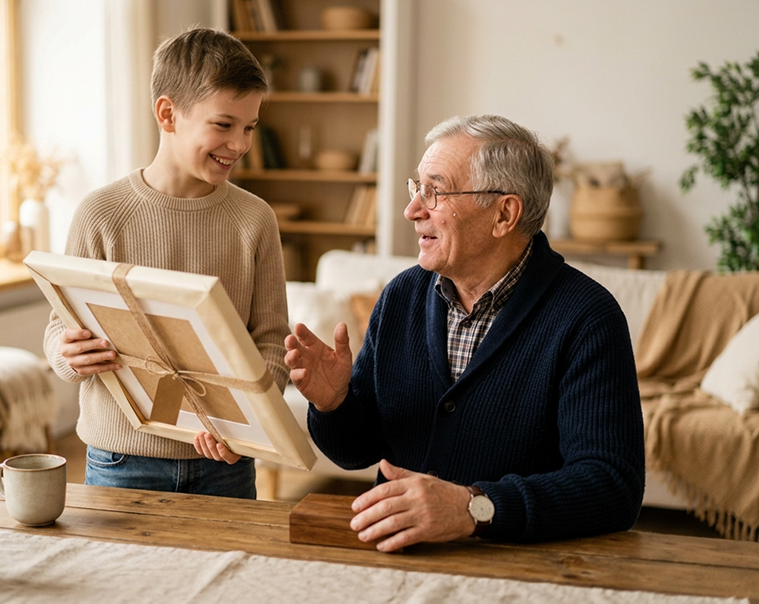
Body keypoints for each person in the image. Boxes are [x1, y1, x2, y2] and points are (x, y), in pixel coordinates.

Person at [285, 114, 645, 549]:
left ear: (504, 213)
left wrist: (473, 509)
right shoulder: (402, 296)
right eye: (416, 188)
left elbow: (611, 487)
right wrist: (334, 403)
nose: (412, 209)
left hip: (519, 567)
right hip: (397, 554)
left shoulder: (588, 318)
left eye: (434, 191)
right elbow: (358, 451)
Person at [43, 28, 290, 499]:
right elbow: (59, 328)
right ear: (168, 114)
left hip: (226, 463)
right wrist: (68, 354)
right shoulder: (101, 214)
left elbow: (271, 343)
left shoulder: (255, 220)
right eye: (223, 124)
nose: (239, 144)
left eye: (250, 127)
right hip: (121, 461)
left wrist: (247, 424)